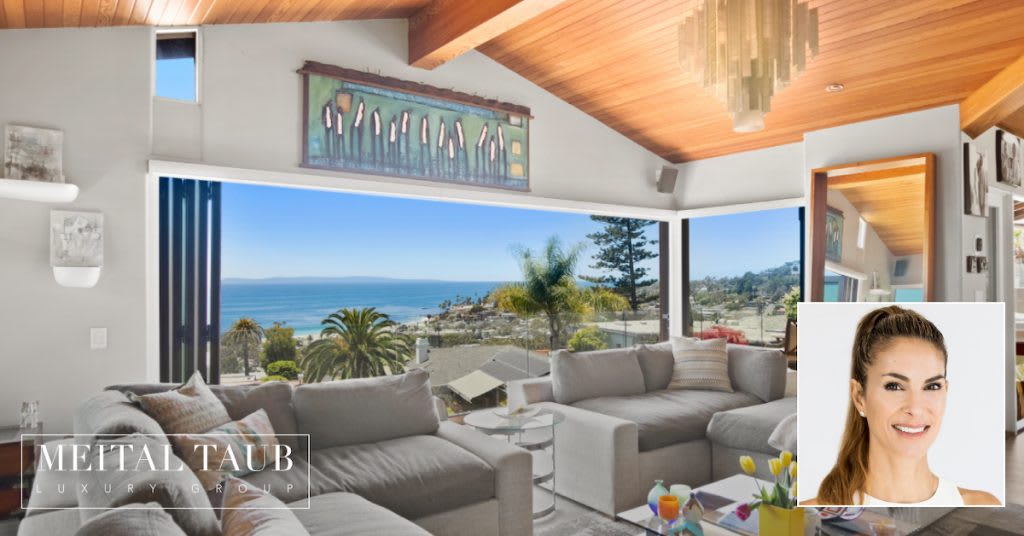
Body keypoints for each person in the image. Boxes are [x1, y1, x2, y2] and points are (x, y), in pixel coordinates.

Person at [803, 305, 999, 506]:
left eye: (932, 386)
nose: (915, 408)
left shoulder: (982, 507)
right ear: (859, 396)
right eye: (894, 386)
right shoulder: (808, 518)